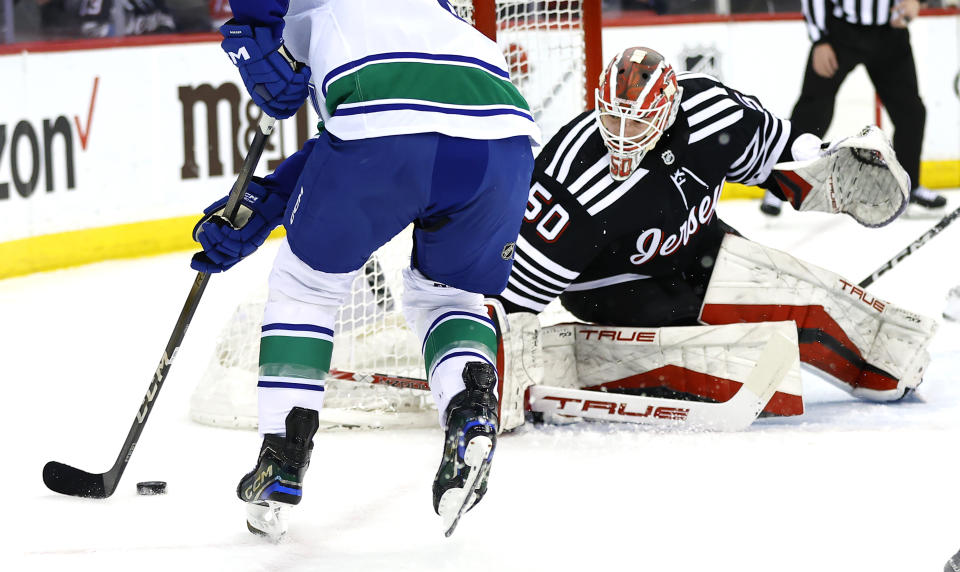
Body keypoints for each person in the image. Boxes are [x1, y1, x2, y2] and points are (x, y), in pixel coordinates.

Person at [192, 0, 539, 538]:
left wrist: (254, 28)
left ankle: (283, 453)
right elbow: (396, 118)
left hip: (380, 126)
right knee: (448, 297)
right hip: (504, 136)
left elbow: (378, 132)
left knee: (305, 287)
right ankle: (470, 407)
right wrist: (267, 200)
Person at [492, 47, 937, 424]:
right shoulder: (571, 180)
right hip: (612, 285)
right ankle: (610, 365)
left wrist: (824, 161)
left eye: (637, 122)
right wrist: (485, 354)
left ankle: (887, 366)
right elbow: (517, 288)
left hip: (696, 248)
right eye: (613, 118)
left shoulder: (712, 110)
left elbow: (776, 153)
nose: (622, 135)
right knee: (740, 355)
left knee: (795, 292)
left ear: (668, 109)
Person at [760, 0, 946, 217]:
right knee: (814, 110)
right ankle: (780, 184)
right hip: (841, 32)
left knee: (911, 111)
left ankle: (908, 186)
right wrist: (820, 39)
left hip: (890, 32)